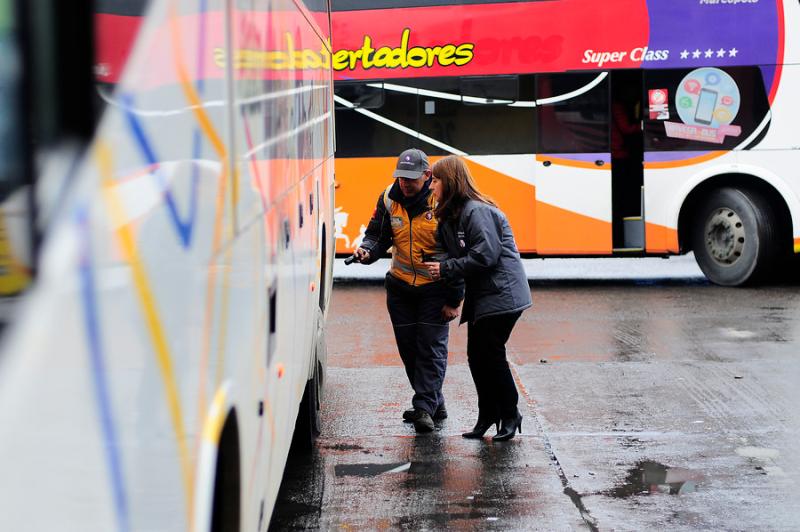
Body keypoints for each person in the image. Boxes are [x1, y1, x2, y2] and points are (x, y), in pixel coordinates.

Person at [352, 148, 464, 433]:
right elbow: (377, 235)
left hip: (434, 288)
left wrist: (454, 298)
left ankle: (424, 407)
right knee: (409, 350)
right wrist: (367, 251)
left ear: (427, 176)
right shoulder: (389, 197)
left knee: (431, 348)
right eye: (401, 177)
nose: (405, 183)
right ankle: (433, 400)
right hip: (400, 287)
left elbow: (457, 254)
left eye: (411, 178)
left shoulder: (442, 200)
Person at [423, 155, 531, 441]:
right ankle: (487, 416)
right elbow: (451, 257)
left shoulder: (476, 211)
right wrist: (447, 284)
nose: (431, 186)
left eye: (435, 180)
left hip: (503, 294)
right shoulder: (450, 217)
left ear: (450, 181)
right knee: (477, 358)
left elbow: (486, 255)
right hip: (484, 296)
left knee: (491, 356)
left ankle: (510, 414)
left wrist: (445, 267)